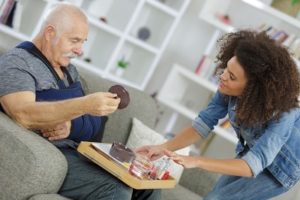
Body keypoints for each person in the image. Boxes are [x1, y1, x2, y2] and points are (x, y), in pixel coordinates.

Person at [0, 3, 160, 200]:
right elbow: (23, 114)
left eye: (83, 42)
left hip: (78, 151)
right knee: (116, 189)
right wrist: (83, 106)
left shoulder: (70, 71)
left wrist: (71, 123)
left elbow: (96, 126)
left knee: (147, 186)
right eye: (75, 41)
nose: (80, 50)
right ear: (50, 33)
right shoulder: (18, 62)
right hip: (53, 155)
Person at [137, 30, 300, 200]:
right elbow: (202, 126)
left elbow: (252, 165)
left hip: (282, 167)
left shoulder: (284, 113)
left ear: (254, 87)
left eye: (231, 76)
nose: (222, 77)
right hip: (251, 152)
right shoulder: (227, 87)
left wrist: (197, 161)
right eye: (227, 68)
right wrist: (162, 148)